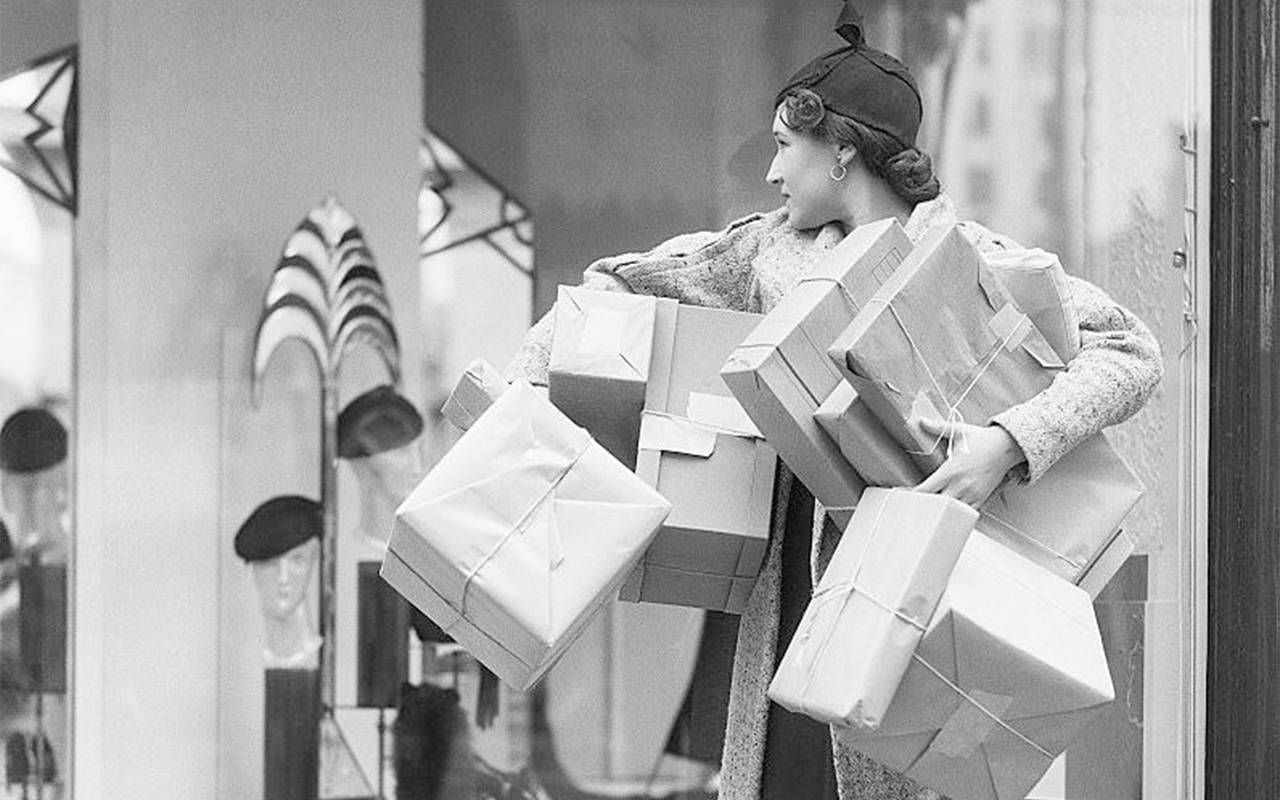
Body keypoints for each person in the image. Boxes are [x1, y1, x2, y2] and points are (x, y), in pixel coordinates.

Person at [503, 6, 1162, 800]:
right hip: (786, 623)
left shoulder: (971, 266)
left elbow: (1130, 348)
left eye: (786, 147)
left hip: (919, 628)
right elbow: (623, 280)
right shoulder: (766, 254)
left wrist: (1008, 443)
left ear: (843, 150)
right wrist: (522, 395)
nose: (773, 174)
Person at [234, 495, 324, 669]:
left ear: (314, 561)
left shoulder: (321, 659)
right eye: (270, 563)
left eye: (298, 560)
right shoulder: (248, 659)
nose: (283, 578)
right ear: (251, 571)